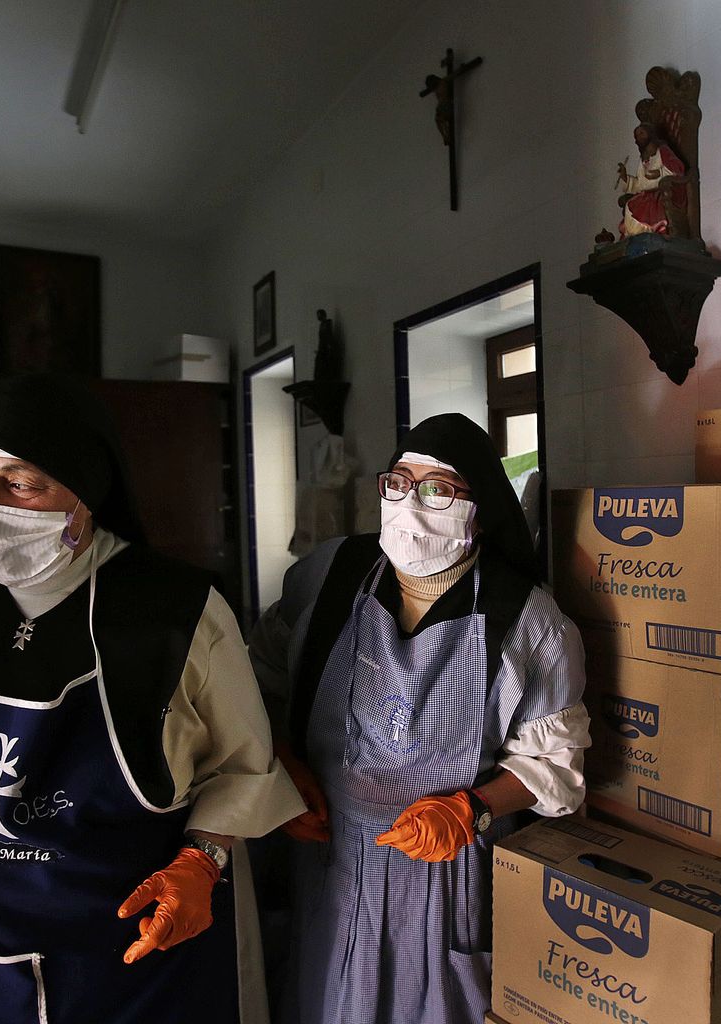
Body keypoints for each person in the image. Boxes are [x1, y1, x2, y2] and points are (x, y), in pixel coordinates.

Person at [0, 374, 304, 1022]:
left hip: (133, 966)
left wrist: (201, 860)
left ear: (86, 489)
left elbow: (242, 764)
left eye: (19, 483)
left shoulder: (175, 610)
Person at [248, 412, 590, 1024]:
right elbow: (259, 678)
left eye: (438, 489)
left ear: (478, 509)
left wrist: (472, 809)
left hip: (443, 884)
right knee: (318, 1000)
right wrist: (283, 764)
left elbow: (551, 769)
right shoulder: (329, 577)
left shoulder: (528, 622)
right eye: (400, 483)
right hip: (328, 857)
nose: (412, 503)